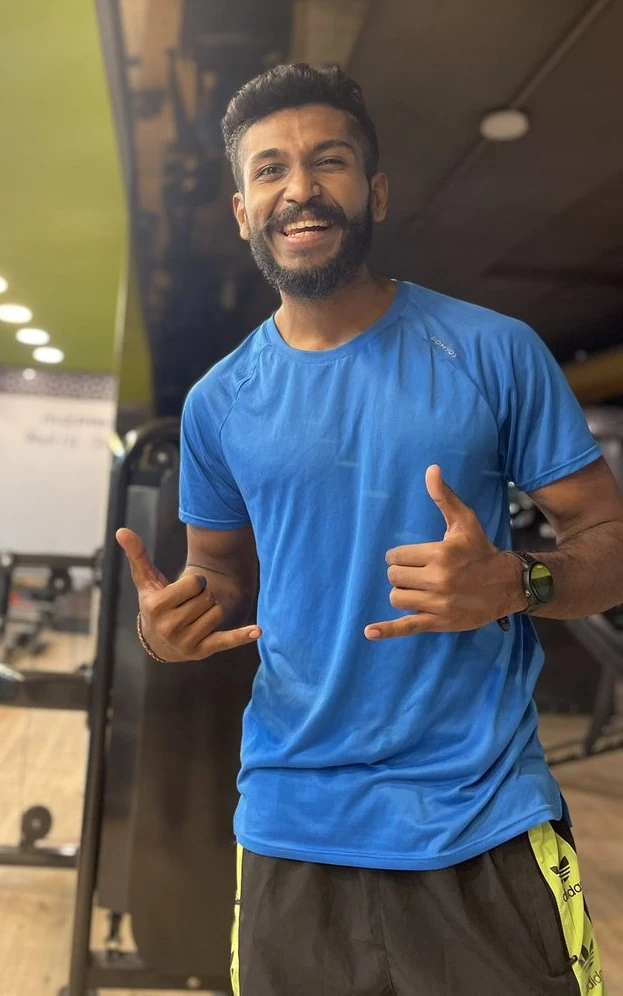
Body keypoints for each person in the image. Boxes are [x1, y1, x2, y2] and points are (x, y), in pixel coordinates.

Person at [117, 64, 623, 995]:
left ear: (375, 191)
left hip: (479, 818)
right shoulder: (218, 402)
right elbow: (218, 573)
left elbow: (608, 537)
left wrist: (516, 582)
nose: (299, 189)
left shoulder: (490, 350)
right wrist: (167, 626)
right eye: (269, 170)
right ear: (241, 210)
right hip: (290, 823)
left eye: (329, 161)